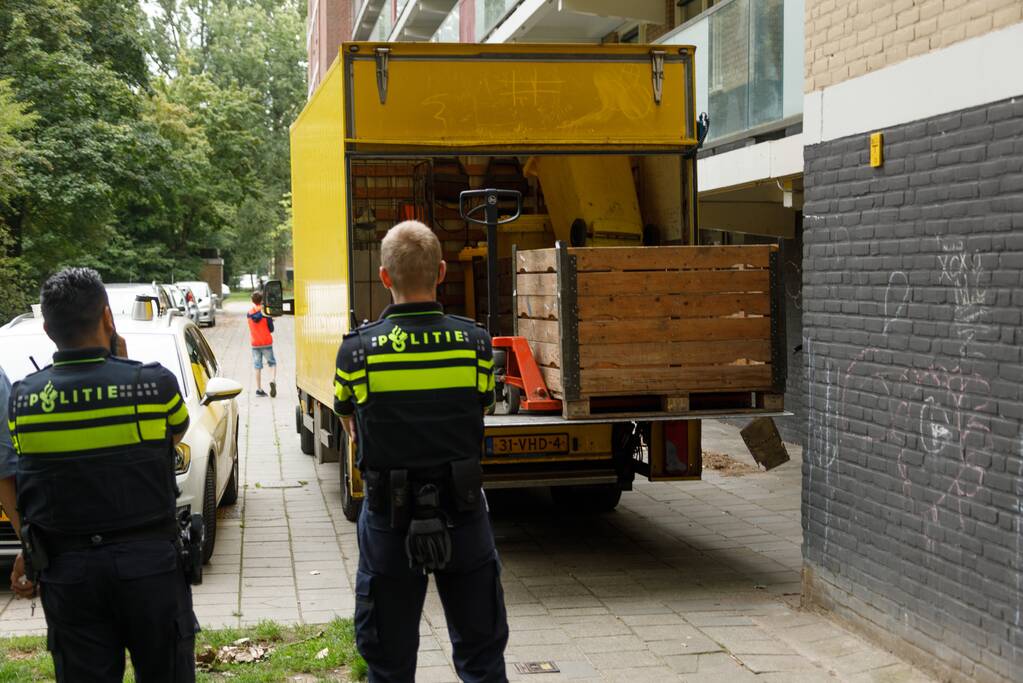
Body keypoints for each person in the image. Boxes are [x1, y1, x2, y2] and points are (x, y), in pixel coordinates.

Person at [333, 221, 509, 683]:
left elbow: (350, 421)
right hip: (463, 511)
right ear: (443, 272)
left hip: (389, 519)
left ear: (385, 276)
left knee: (388, 664)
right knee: (482, 658)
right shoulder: (475, 344)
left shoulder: (357, 352)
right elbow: (481, 409)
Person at [7, 267, 197, 682]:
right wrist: (123, 365)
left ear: (47, 328)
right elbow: (173, 434)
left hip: (69, 573)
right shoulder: (153, 385)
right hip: (149, 568)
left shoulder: (22, 401)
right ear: (108, 319)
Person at [247, 291, 276, 397]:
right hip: (266, 342)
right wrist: (270, 320)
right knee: (272, 363)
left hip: (255, 343)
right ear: (262, 300)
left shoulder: (249, 313)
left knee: (257, 366)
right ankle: (272, 380)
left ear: (252, 301)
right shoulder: (265, 313)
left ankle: (259, 389)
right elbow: (271, 329)